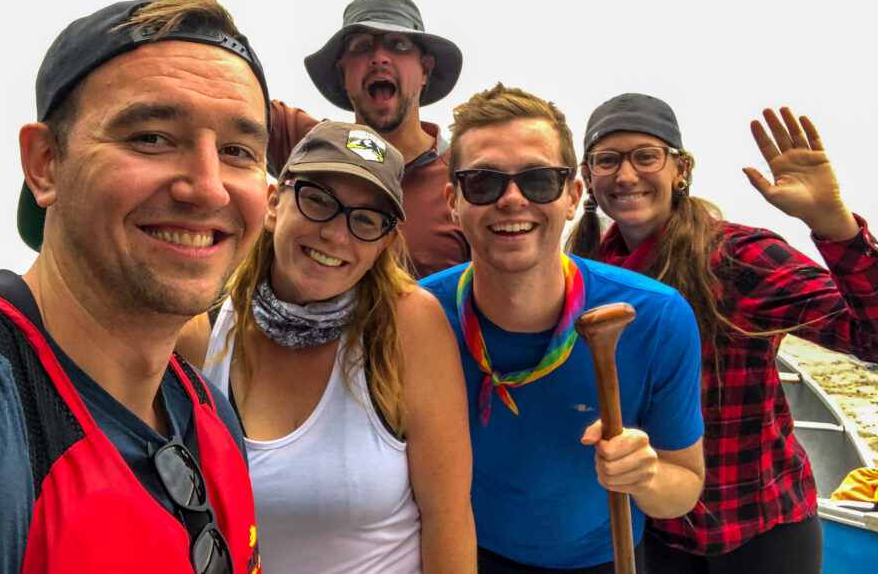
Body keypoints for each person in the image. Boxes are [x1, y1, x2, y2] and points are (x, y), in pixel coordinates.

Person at [0, 0, 270, 573]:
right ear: (45, 163)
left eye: (237, 150)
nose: (208, 188)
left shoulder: (209, 414)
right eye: (151, 137)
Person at [566, 93, 878, 573]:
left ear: (681, 168)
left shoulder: (737, 257)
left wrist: (832, 224)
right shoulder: (587, 270)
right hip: (654, 530)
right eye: (607, 161)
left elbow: (870, 339)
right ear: (588, 177)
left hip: (763, 531)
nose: (626, 175)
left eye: (646, 156)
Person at [419, 83, 705, 573]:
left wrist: (645, 475)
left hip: (603, 559)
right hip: (465, 552)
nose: (512, 199)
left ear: (573, 196)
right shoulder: (419, 315)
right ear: (454, 201)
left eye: (538, 180)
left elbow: (681, 491)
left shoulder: (655, 317)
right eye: (483, 182)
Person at [180, 120, 476, 573]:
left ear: (384, 244)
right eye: (318, 200)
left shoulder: (407, 326)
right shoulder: (205, 330)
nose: (337, 235)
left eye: (366, 220)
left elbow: (448, 514)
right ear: (274, 203)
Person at [180, 0, 469, 278]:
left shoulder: (468, 181)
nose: (380, 58)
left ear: (426, 69)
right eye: (361, 46)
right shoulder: (307, 146)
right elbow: (189, 73)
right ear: (341, 71)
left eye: (398, 45)